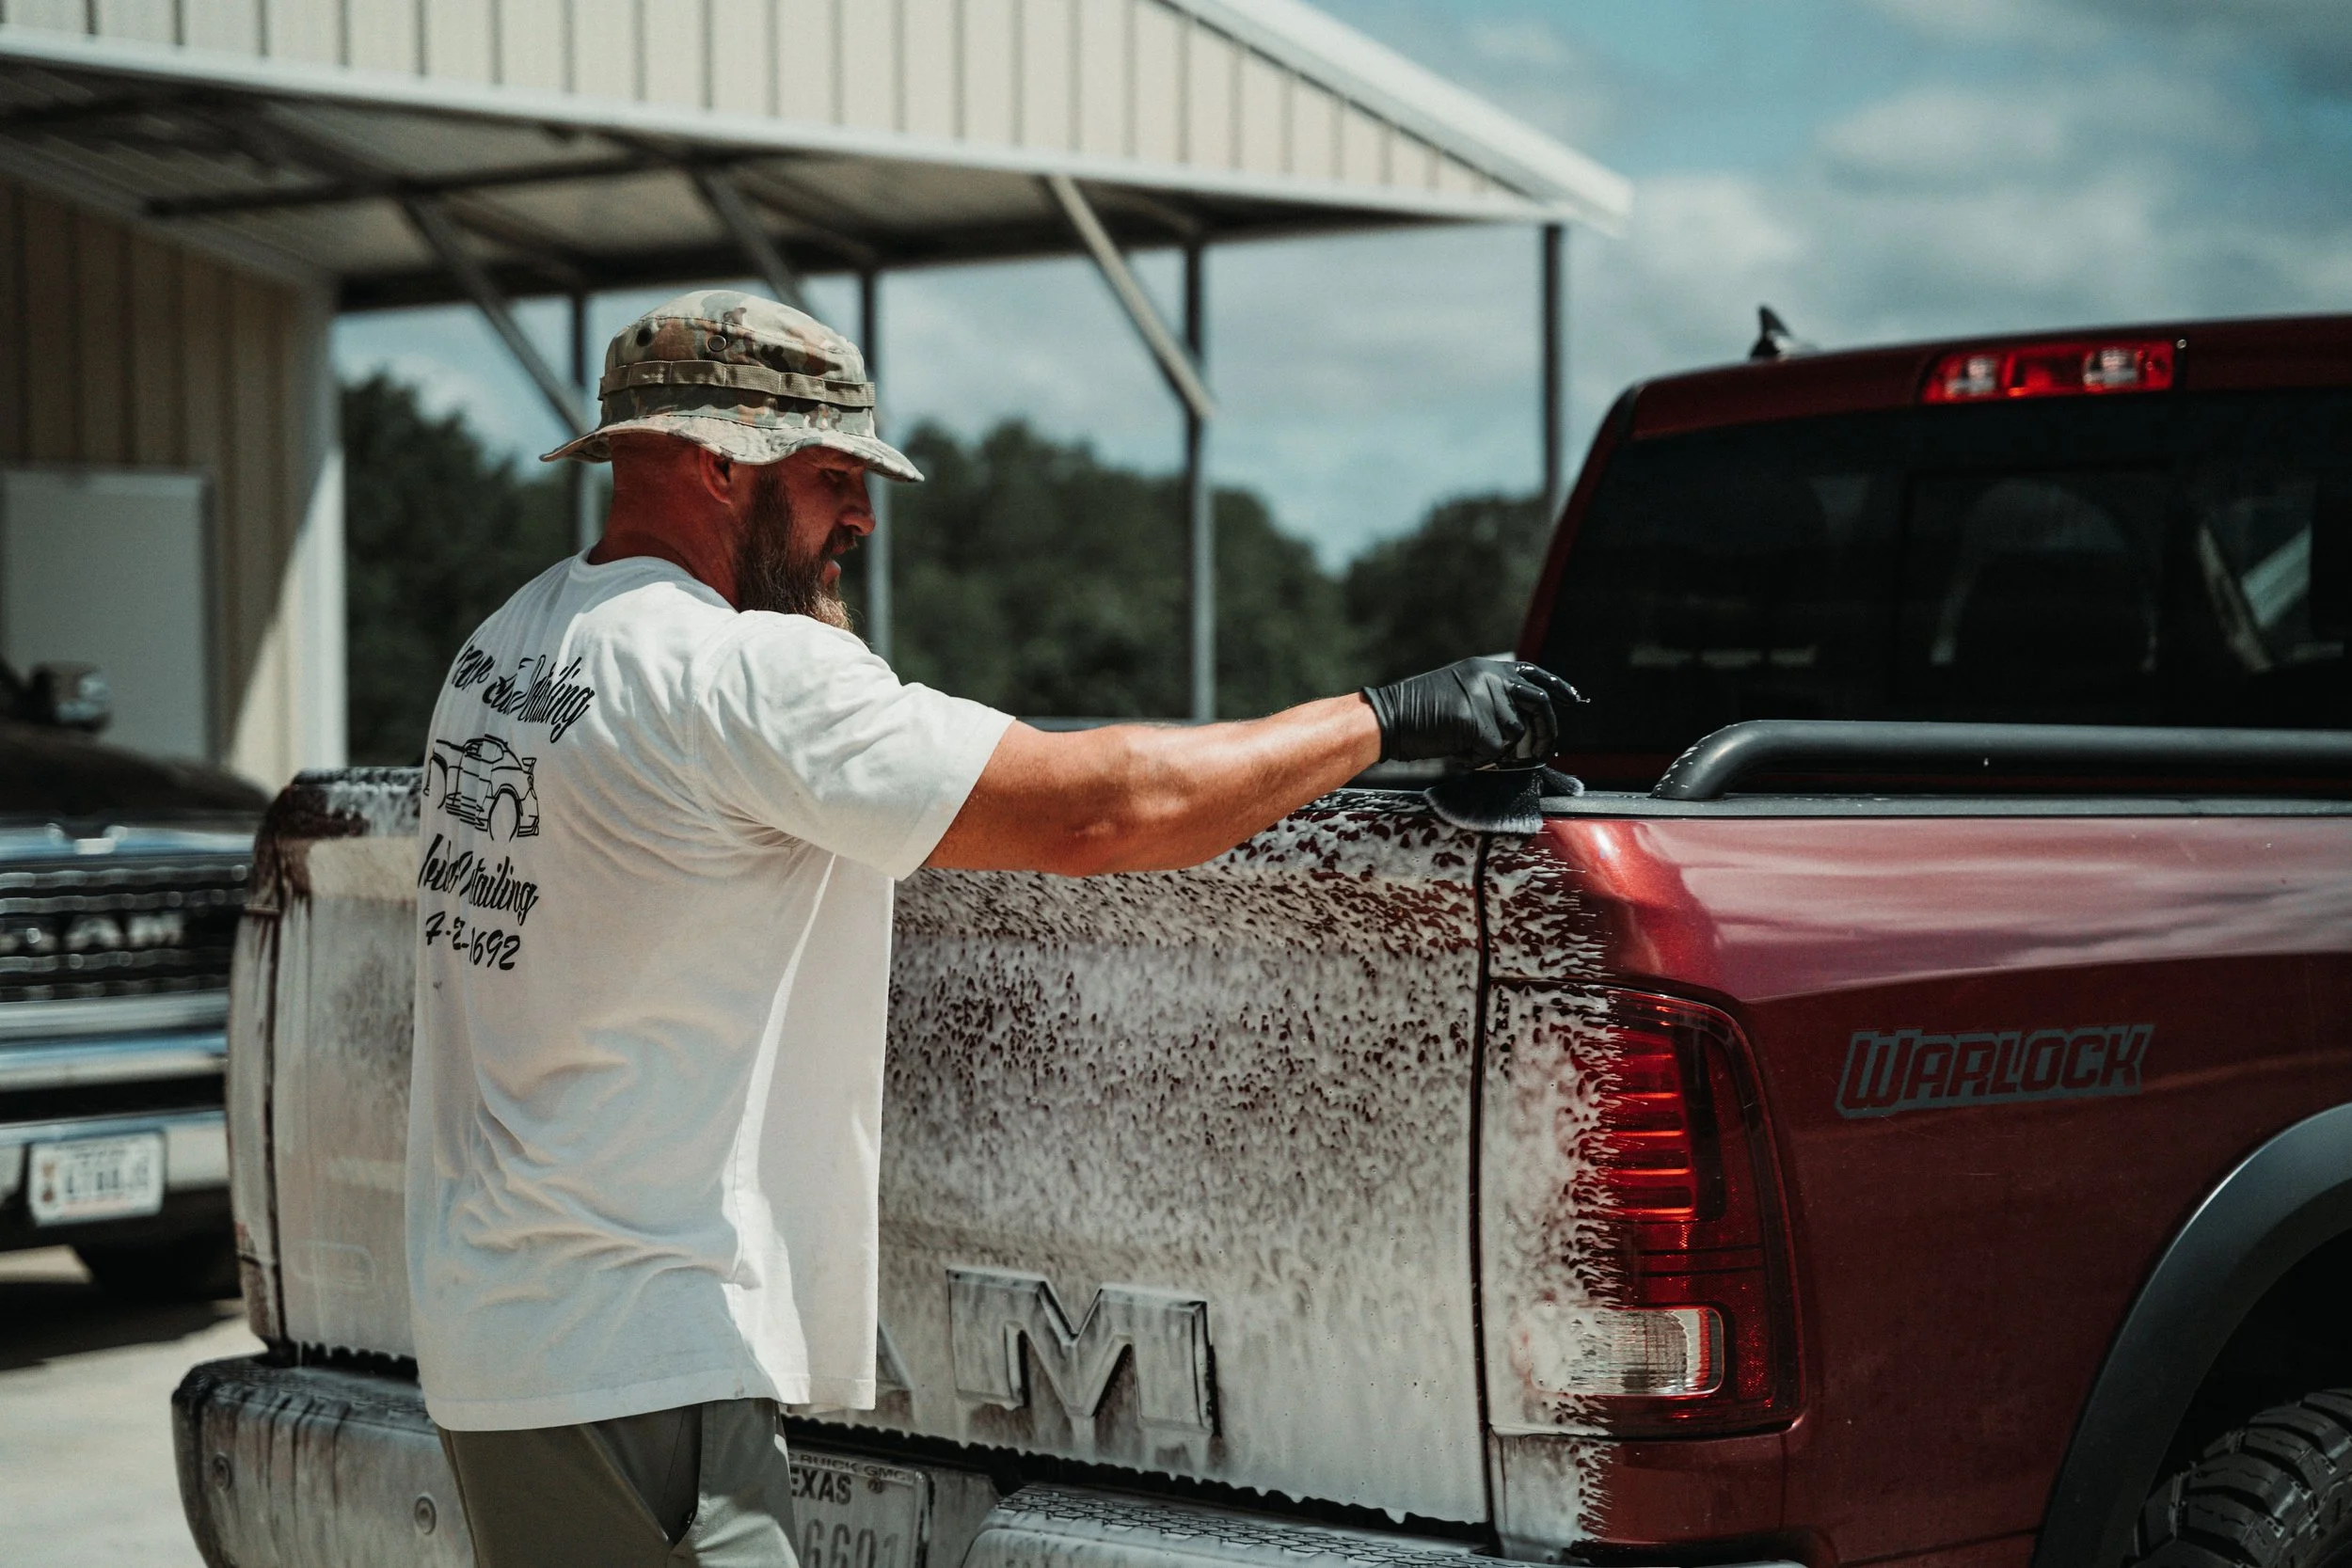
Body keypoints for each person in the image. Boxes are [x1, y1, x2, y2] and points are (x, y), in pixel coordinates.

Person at [405, 290, 1580, 1568]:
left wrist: (802, 583)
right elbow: (1106, 811)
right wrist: (1391, 713)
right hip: (638, 1354)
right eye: (833, 476)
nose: (862, 511)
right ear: (715, 461)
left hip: (506, 1331)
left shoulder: (507, 649)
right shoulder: (731, 680)